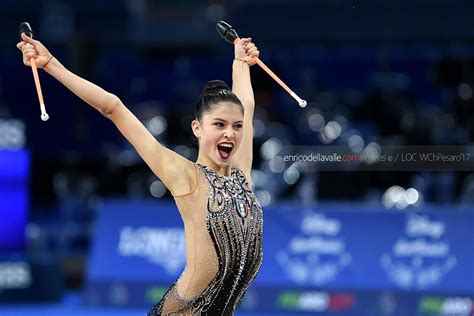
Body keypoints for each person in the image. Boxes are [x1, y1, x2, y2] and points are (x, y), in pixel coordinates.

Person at [17, 31, 262, 315]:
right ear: (197, 129)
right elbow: (112, 108)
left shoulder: (242, 173)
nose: (230, 133)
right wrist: (50, 65)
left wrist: (240, 63)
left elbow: (247, 104)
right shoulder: (185, 176)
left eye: (237, 126)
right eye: (219, 125)